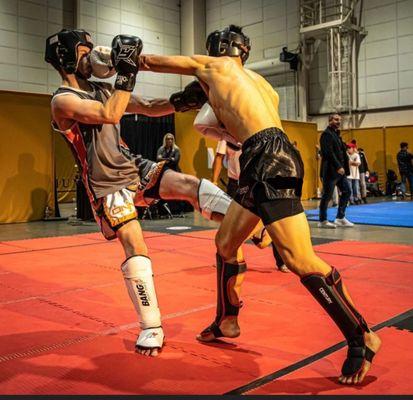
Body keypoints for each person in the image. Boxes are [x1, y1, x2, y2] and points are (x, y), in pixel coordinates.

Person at [138, 24, 381, 384]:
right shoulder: (254, 83)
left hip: (268, 159)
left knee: (300, 260)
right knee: (225, 243)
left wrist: (122, 60)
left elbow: (159, 63)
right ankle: (227, 319)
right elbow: (157, 106)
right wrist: (107, 103)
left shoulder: (217, 68)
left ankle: (361, 336)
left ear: (218, 50)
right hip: (260, 159)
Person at [45, 29, 234, 357]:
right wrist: (128, 71)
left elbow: (147, 105)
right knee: (135, 243)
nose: (91, 56)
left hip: (131, 164)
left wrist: (183, 101)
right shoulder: (62, 100)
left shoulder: (104, 89)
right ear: (65, 59)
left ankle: (245, 221)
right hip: (106, 184)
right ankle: (151, 325)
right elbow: (109, 114)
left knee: (190, 185)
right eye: (82, 51)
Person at [212, 139, 288, 272]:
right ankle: (226, 258)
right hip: (235, 183)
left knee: (271, 220)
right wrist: (214, 181)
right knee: (228, 223)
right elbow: (219, 157)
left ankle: (282, 261)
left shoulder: (252, 135)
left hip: (256, 181)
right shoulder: (225, 137)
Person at [318, 114, 354, 228]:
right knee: (327, 196)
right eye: (336, 120)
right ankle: (322, 220)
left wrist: (345, 166)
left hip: (340, 172)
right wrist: (338, 166)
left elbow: (342, 152)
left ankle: (340, 217)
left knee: (347, 191)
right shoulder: (326, 134)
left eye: (340, 120)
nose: (339, 122)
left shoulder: (337, 134)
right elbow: (328, 153)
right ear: (330, 121)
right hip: (330, 170)